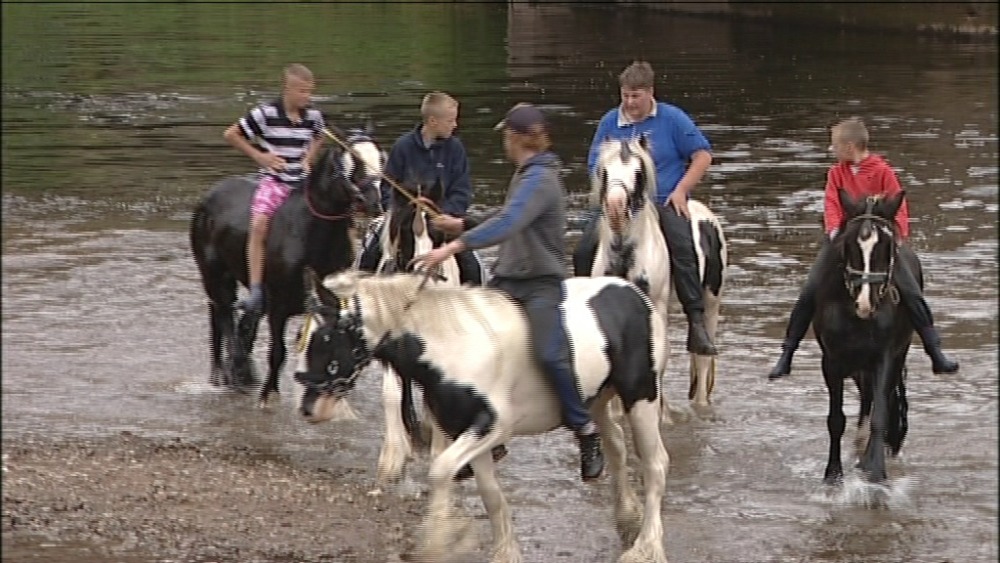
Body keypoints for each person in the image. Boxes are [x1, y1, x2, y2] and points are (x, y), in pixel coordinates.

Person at [412, 103, 605, 481]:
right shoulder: (526, 175)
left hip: (540, 285)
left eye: (506, 134)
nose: (503, 140)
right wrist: (462, 223)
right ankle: (487, 435)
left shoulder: (541, 179)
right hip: (507, 281)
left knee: (550, 353)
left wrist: (456, 245)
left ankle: (585, 430)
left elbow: (513, 219)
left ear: (517, 138)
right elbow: (509, 217)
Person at [767, 117, 960, 379]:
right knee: (811, 288)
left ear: (849, 146)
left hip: (880, 241)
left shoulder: (883, 171)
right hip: (846, 240)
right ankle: (787, 353)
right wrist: (835, 232)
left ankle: (934, 351)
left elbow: (898, 205)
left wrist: (897, 234)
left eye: (834, 145)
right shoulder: (836, 173)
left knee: (911, 291)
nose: (832, 150)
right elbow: (831, 204)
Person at [573, 60, 717, 356]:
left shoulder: (672, 119)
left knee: (683, 247)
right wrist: (608, 197)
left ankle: (696, 321)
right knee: (583, 249)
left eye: (635, 96)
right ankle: (583, 312)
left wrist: (681, 190)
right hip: (616, 203)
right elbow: (594, 165)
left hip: (661, 200)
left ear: (650, 93)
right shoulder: (610, 123)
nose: (629, 103)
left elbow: (702, 155)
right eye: (624, 95)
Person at [223, 63, 326, 313]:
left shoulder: (313, 116)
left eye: (310, 92)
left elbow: (320, 136)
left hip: (302, 183)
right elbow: (231, 134)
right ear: (287, 89)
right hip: (275, 180)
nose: (307, 97)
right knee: (259, 224)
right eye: (302, 92)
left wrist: (309, 158)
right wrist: (260, 157)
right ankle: (256, 288)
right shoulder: (265, 114)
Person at [357, 91, 482, 285]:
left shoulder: (456, 149)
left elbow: (462, 191)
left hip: (443, 220)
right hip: (403, 219)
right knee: (370, 254)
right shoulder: (402, 147)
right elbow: (387, 188)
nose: (455, 125)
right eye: (450, 120)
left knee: (471, 265)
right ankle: (360, 298)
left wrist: (446, 214)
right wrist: (397, 213)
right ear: (433, 121)